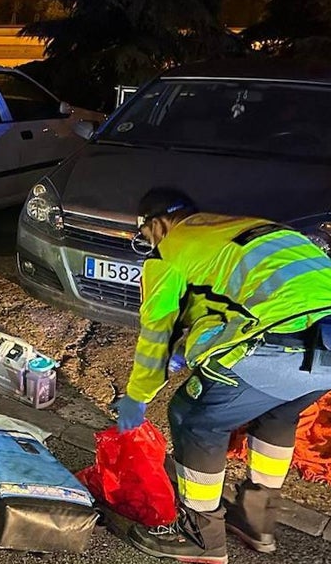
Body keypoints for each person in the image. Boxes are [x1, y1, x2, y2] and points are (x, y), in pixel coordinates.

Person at [115, 189, 331, 564]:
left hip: (279, 342)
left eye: (144, 232)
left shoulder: (169, 252)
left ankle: (199, 536)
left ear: (157, 223)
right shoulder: (243, 230)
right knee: (276, 413)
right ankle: (256, 521)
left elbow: (156, 335)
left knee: (194, 418)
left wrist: (138, 396)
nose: (147, 242)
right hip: (324, 343)